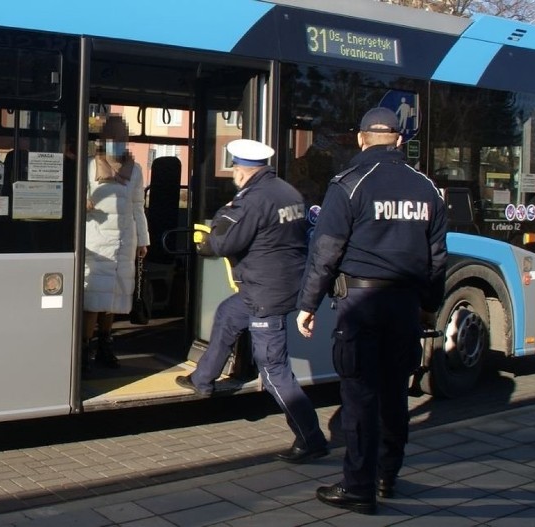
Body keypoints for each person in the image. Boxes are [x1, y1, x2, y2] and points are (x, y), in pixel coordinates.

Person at [295, 107, 447, 514]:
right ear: (399, 140)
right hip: (404, 307)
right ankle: (387, 475)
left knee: (360, 395)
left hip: (360, 305)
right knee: (395, 392)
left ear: (361, 138)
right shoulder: (427, 188)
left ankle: (358, 486)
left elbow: (325, 252)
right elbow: (437, 259)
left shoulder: (348, 184)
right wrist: (429, 307)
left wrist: (307, 304)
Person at [175, 138, 329, 464]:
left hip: (265, 293)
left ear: (241, 171)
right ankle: (202, 379)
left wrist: (217, 223)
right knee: (228, 313)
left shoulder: (251, 201)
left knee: (273, 369)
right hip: (282, 284)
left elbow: (223, 242)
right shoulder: (288, 192)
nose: (233, 173)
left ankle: (311, 438)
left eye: (233, 168)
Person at [83, 115, 149, 374]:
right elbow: (75, 197)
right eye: (112, 138)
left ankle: (105, 347)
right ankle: (84, 351)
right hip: (96, 240)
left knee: (113, 300)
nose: (117, 143)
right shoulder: (89, 166)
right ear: (102, 140)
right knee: (93, 300)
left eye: (121, 138)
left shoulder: (135, 169)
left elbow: (137, 206)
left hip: (124, 242)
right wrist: (83, 202)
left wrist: (143, 241)